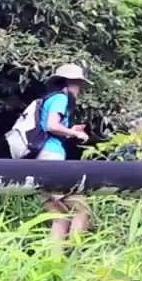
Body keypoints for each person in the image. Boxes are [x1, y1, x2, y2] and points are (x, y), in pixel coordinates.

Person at [36, 63, 92, 244]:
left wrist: (69, 129)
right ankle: (74, 259)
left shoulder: (49, 99)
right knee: (83, 211)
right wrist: (76, 133)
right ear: (68, 83)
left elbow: (50, 127)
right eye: (78, 85)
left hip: (40, 160)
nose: (79, 90)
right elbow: (52, 125)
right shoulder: (61, 97)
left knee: (60, 216)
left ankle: (55, 263)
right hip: (52, 159)